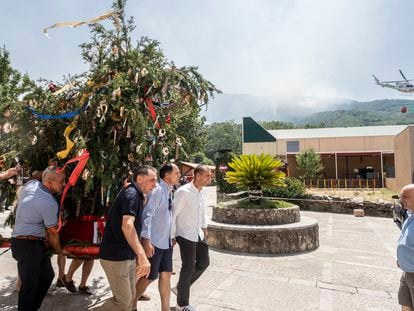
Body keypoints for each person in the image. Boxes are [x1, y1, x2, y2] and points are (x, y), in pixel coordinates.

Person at [11, 166, 70, 311]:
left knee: (47, 275)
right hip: (28, 245)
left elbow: (36, 175)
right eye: (61, 181)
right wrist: (60, 251)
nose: (64, 184)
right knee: (29, 288)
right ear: (49, 182)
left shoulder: (31, 185)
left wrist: (49, 168)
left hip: (25, 243)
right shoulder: (48, 202)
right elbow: (52, 233)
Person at [98, 165, 157, 311]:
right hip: (115, 256)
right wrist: (142, 254)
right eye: (152, 180)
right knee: (123, 302)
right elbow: (127, 226)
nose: (155, 185)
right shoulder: (131, 194)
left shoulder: (136, 194)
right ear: (140, 179)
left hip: (126, 255)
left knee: (129, 301)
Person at [134, 163, 180, 311]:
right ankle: (131, 303)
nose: (179, 175)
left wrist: (171, 236)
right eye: (176, 173)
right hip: (154, 242)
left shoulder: (169, 191)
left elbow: (168, 216)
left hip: (165, 242)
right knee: (149, 276)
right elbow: (147, 215)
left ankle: (165, 309)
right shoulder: (158, 191)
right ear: (167, 175)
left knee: (166, 274)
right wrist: (146, 240)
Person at [171, 164, 212, 311]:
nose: (210, 178)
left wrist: (204, 227)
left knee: (204, 262)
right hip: (185, 233)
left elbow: (202, 211)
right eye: (207, 175)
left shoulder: (202, 192)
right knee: (188, 267)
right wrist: (172, 235)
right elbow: (174, 214)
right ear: (198, 175)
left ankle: (181, 287)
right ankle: (182, 304)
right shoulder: (183, 192)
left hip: (198, 233)